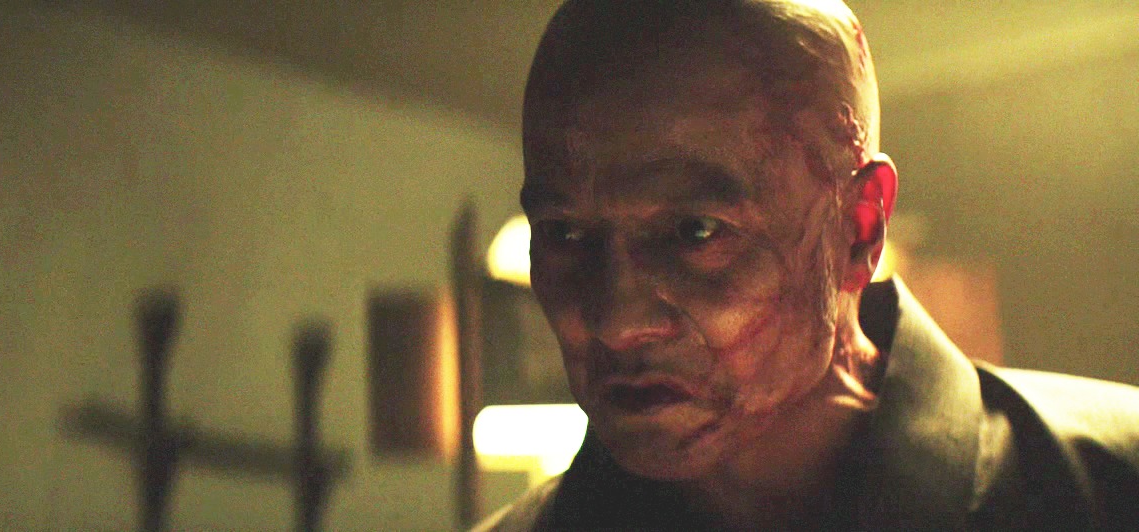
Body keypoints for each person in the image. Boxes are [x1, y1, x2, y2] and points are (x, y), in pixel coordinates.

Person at [474, 1, 1139, 530]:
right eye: (563, 233)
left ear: (859, 226)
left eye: (695, 231)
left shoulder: (1114, 488)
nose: (615, 322)